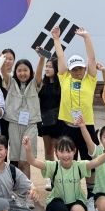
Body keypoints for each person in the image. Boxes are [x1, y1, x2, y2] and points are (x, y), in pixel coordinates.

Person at [23, 135, 105, 211]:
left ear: (74, 151)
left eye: (68, 151)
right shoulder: (53, 166)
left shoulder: (79, 166)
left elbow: (96, 162)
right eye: (61, 151)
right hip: (57, 199)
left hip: (76, 199)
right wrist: (28, 149)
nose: (65, 155)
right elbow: (33, 161)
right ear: (56, 152)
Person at [51, 25, 99, 211]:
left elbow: (91, 58)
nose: (77, 71)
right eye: (74, 69)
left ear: (84, 69)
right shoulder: (64, 78)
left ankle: (91, 197)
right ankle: (69, 194)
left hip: (86, 127)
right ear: (69, 70)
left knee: (89, 163)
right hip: (67, 127)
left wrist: (86, 38)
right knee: (68, 162)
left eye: (80, 68)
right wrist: (56, 39)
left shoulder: (90, 79)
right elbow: (61, 57)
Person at [0, 52, 44, 182]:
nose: (22, 73)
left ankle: (25, 190)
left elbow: (39, 72)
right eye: (19, 70)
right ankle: (17, 187)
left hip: (30, 124)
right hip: (14, 123)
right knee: (16, 159)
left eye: (25, 70)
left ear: (30, 72)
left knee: (26, 160)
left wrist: (42, 58)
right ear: (15, 72)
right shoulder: (11, 82)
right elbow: (3, 72)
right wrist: (2, 59)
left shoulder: (35, 83)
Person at [37, 57, 62, 190]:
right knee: (48, 150)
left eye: (50, 66)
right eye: (46, 66)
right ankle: (50, 177)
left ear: (56, 69)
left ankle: (61, 176)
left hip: (58, 121)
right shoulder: (42, 84)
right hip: (45, 121)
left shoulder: (61, 84)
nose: (47, 69)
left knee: (59, 150)